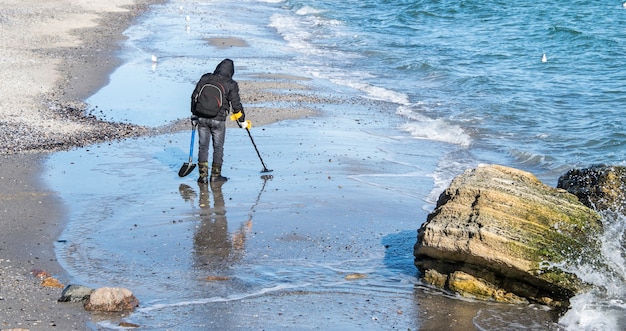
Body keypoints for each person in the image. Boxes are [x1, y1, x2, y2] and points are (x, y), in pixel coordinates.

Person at [190, 59, 245, 183]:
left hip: (202, 117)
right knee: (218, 147)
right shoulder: (231, 84)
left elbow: (194, 96)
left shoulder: (205, 78)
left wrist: (194, 114)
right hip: (218, 120)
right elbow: (236, 104)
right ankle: (215, 176)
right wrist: (241, 121)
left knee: (203, 146)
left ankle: (202, 176)